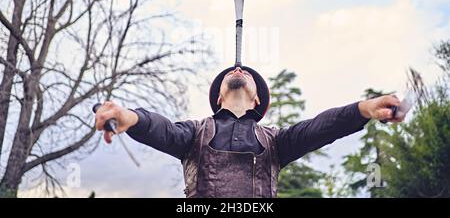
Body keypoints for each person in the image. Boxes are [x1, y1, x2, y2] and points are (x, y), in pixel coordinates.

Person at [95, 65, 404, 198]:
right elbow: (160, 129)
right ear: (218, 98)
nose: (238, 71)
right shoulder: (194, 134)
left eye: (246, 74)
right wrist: (130, 116)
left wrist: (364, 109)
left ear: (257, 99)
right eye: (232, 73)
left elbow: (321, 127)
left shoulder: (278, 142)